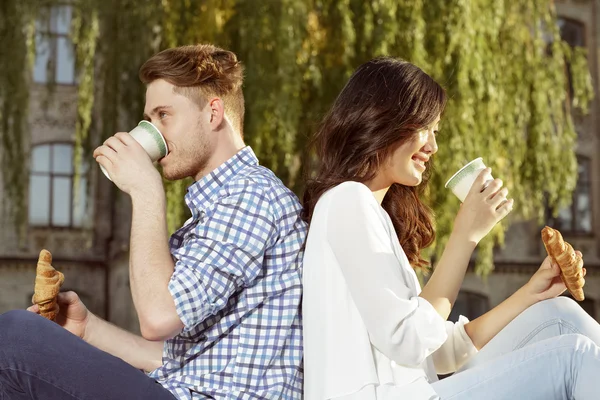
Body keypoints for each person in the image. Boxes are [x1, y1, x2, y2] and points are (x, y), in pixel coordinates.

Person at [0, 44, 306, 399]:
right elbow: (179, 356)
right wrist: (89, 330)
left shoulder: (251, 196)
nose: (152, 131)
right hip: (182, 389)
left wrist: (146, 191)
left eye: (164, 115)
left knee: (14, 337)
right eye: (148, 119)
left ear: (213, 113)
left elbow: (158, 318)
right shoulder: (221, 207)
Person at [301, 57, 600, 400]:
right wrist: (465, 236)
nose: (432, 146)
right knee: (572, 358)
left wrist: (533, 292)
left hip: (424, 389)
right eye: (423, 128)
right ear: (382, 119)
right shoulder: (346, 201)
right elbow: (410, 340)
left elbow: (439, 352)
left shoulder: (368, 211)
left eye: (436, 132)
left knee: (557, 314)